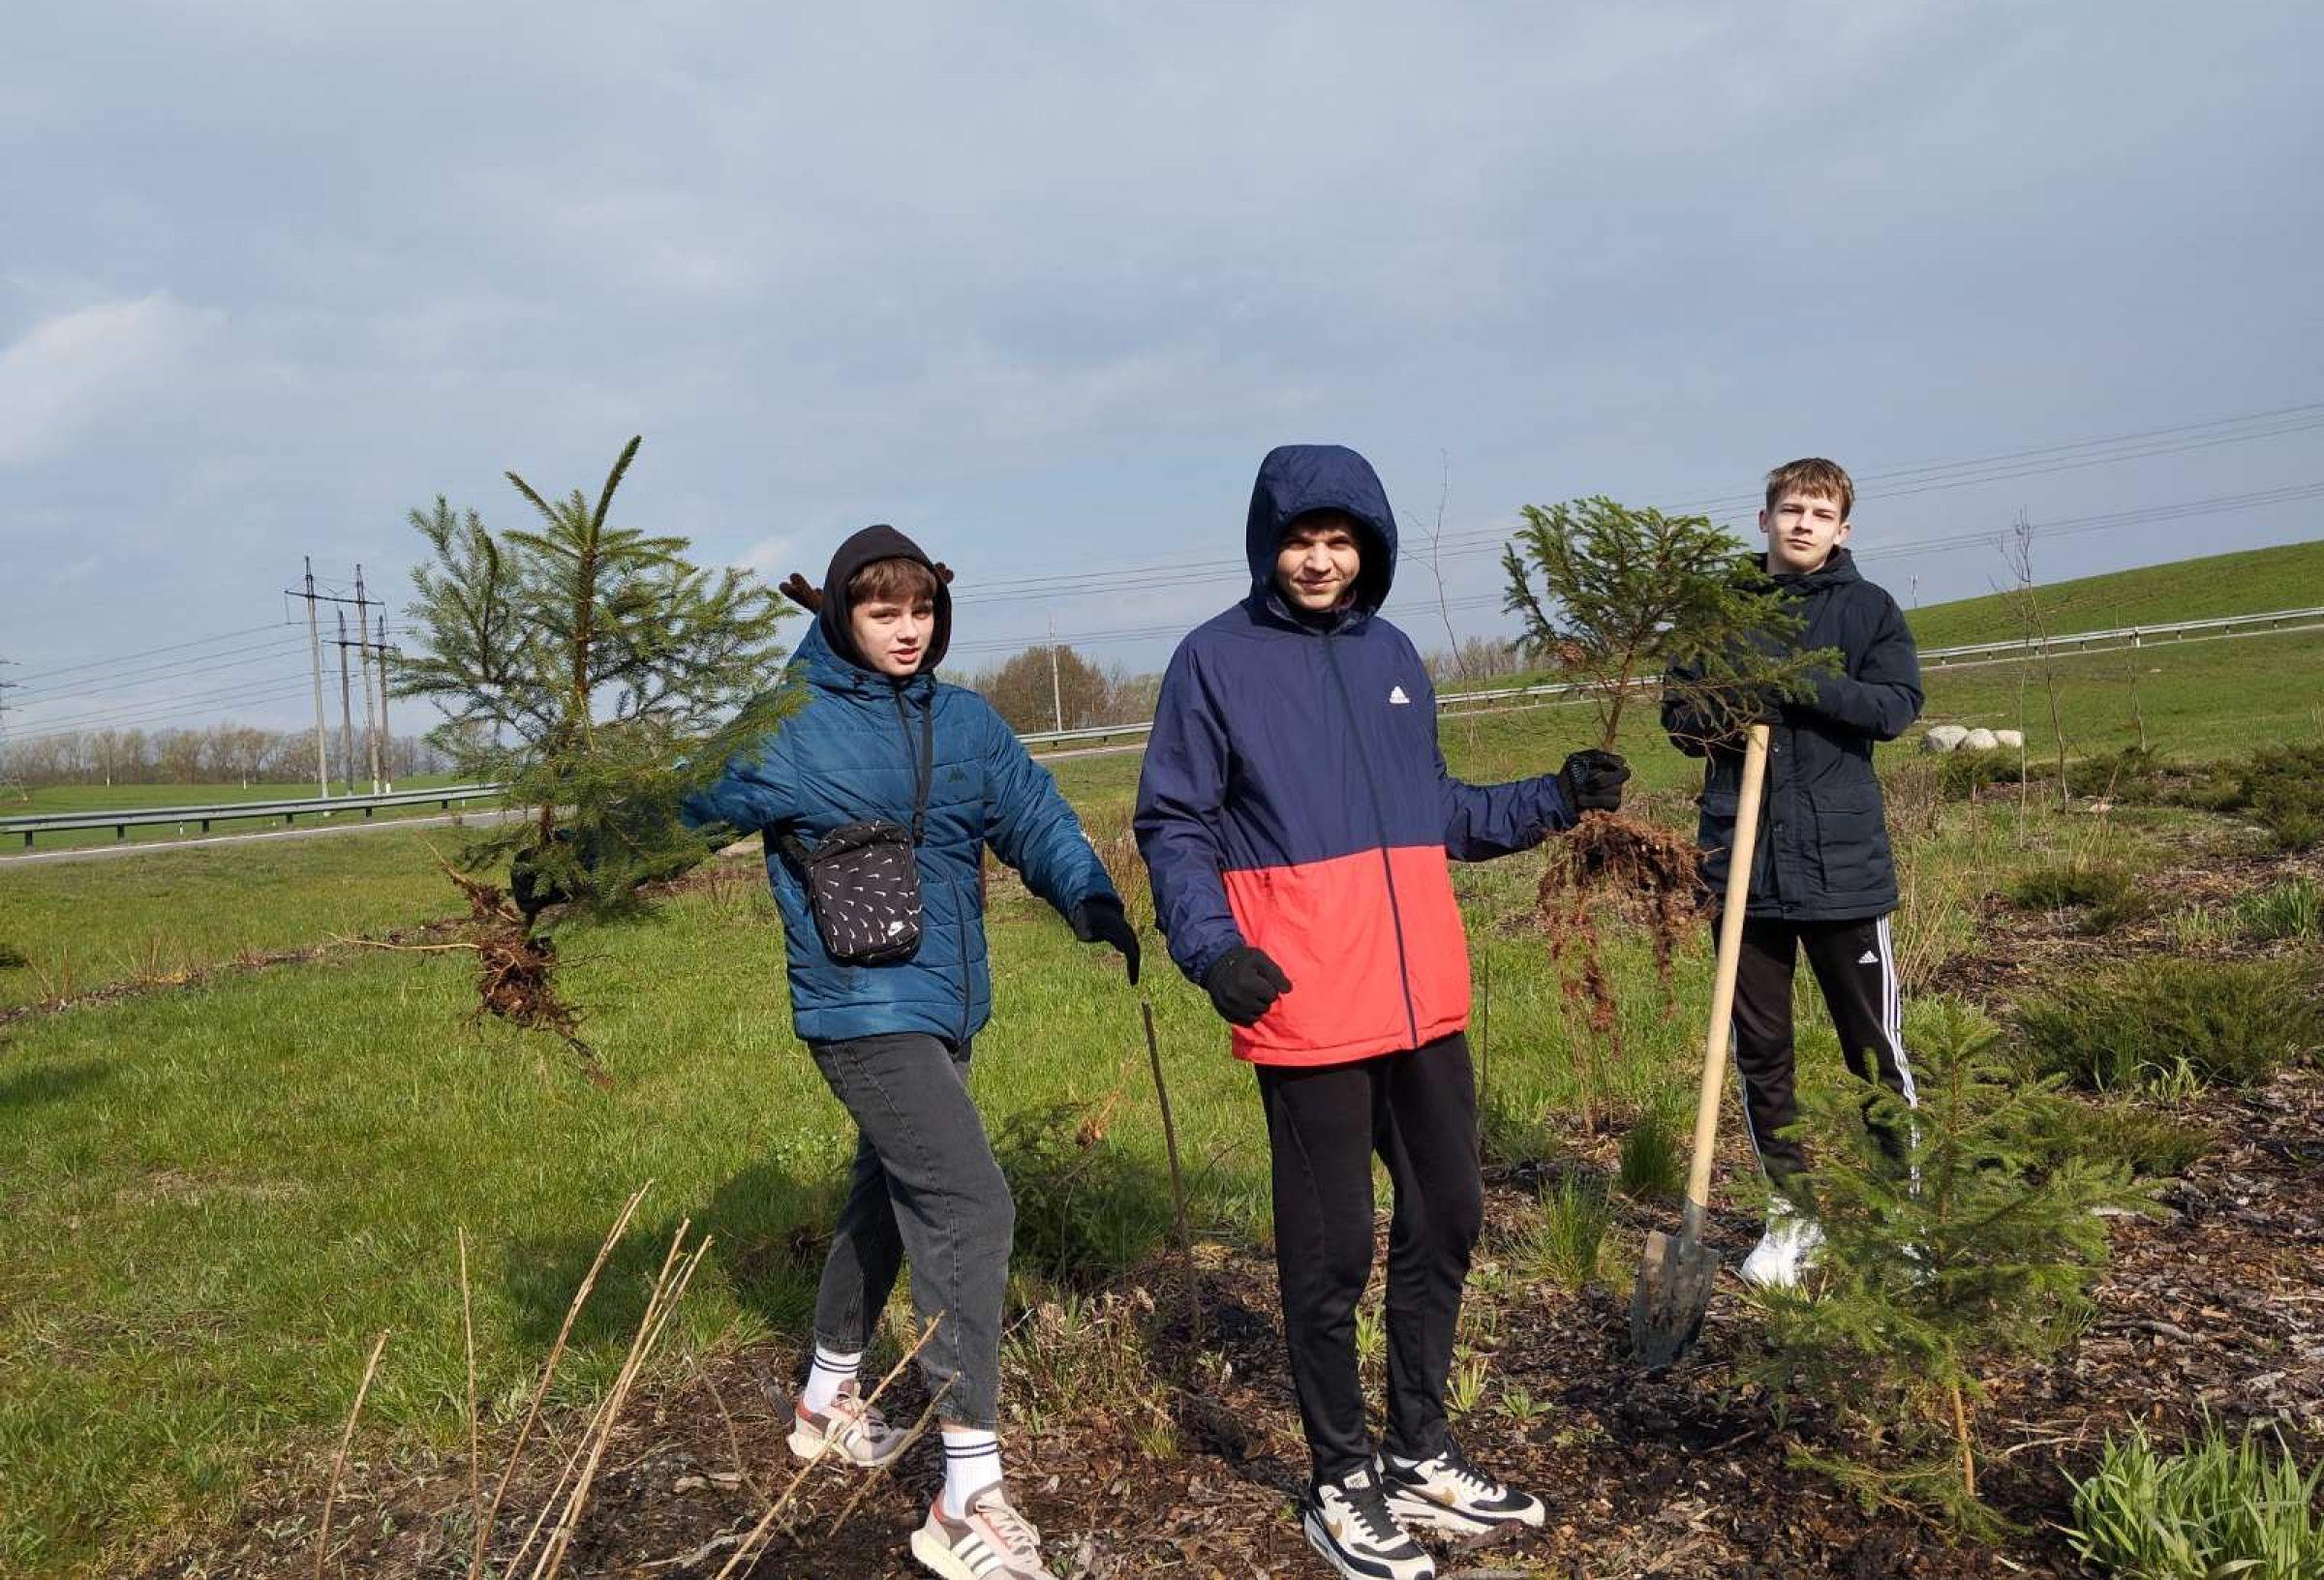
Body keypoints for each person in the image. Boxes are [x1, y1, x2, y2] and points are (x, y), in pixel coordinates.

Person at [1135, 445, 1629, 1580]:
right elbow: (1174, 823)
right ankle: (1338, 1477)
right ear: (1270, 543)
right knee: (1330, 1251)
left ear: (1370, 547)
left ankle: (1419, 1446)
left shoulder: (1395, 653)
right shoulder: (1213, 660)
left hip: (1423, 1001)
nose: (1320, 556)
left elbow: (1435, 809)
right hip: (1306, 1000)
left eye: (1341, 537)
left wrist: (1556, 798)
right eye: (1301, 537)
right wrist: (1212, 949)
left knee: (1450, 1212)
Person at [681, 526, 1140, 1580]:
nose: (906, 629)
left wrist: (1091, 895)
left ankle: (825, 1394)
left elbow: (1033, 814)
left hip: (944, 1005)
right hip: (857, 1010)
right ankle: (964, 1497)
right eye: (883, 610)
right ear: (842, 612)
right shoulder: (790, 727)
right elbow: (679, 806)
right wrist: (565, 869)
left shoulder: (966, 722)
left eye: (921, 608)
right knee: (972, 1204)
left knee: (891, 1192)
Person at [1661, 457, 1925, 1290]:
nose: (1803, 522)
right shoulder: (1717, 616)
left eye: (1820, 512)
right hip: (1743, 869)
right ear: (1764, 518)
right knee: (1760, 1052)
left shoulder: (1869, 610)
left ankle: (1900, 1216)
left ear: (1842, 529)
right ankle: (1792, 1212)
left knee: (1874, 1050)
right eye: (1790, 509)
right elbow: (1679, 715)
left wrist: (1806, 685)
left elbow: (1895, 708)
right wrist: (1740, 705)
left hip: (1844, 869)